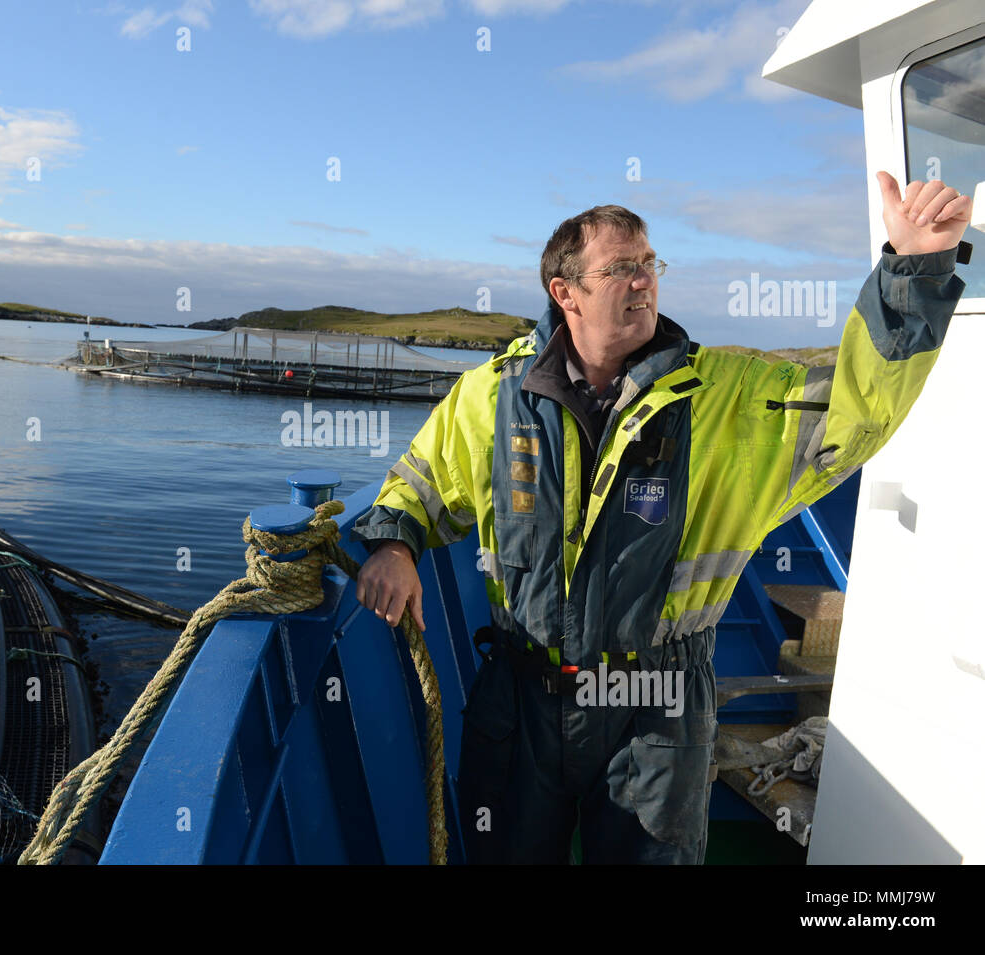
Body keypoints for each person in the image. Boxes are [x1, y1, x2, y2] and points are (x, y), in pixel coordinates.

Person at [350, 171, 973, 864]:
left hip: (658, 708)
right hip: (521, 701)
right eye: (622, 268)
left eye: (651, 264)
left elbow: (857, 409)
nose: (645, 280)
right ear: (566, 292)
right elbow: (417, 485)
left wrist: (912, 269)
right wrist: (394, 545)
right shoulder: (492, 398)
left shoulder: (727, 399)